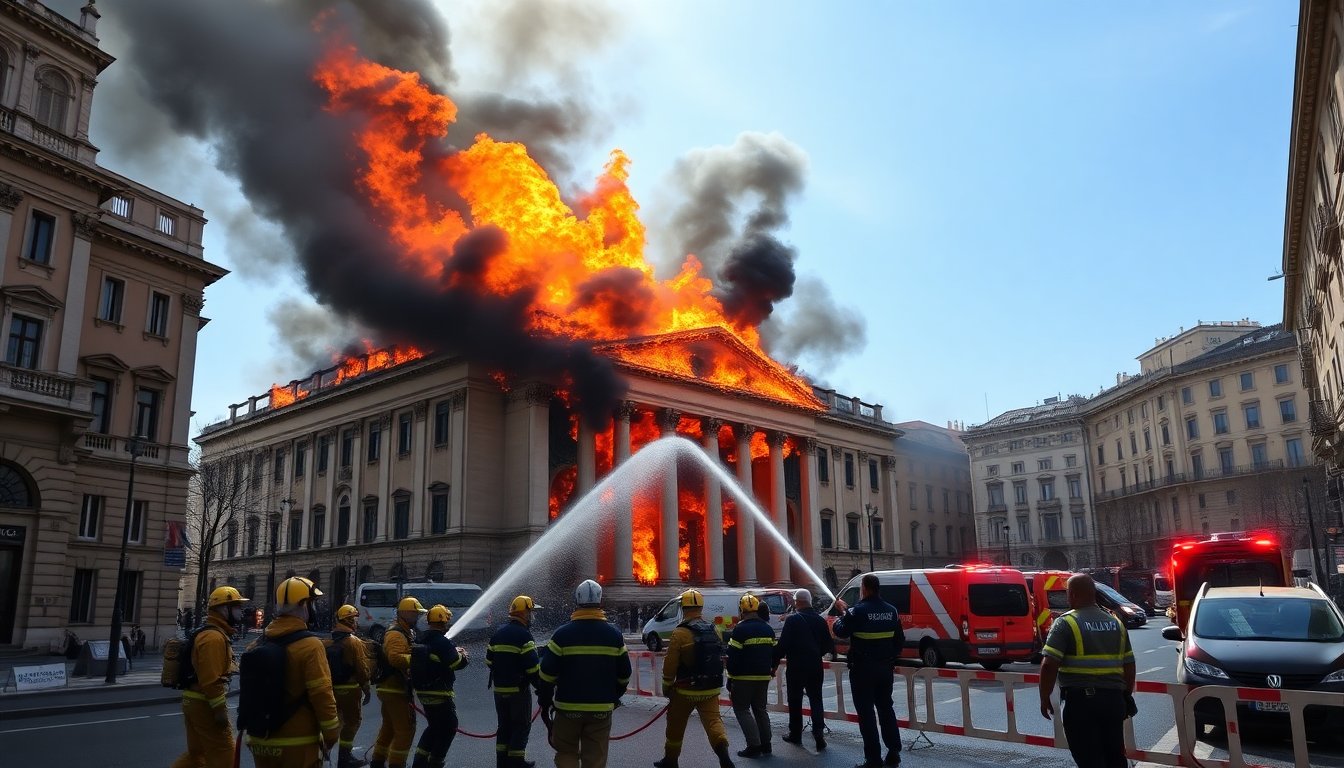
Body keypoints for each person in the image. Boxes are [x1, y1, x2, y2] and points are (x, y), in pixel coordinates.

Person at [1038, 574, 1136, 768]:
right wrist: (1125, 694)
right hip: (1114, 701)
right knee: (1115, 756)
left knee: (1089, 758)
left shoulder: (1066, 622)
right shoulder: (1115, 622)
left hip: (1082, 704)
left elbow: (1049, 665)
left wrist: (1044, 696)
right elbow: (1129, 664)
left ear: (1072, 594)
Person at [243, 576, 341, 768]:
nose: (313, 609)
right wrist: (331, 734)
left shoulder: (255, 645)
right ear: (304, 604)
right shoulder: (311, 646)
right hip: (297, 743)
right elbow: (322, 693)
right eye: (312, 603)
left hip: (258, 740)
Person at [538, 579, 631, 768]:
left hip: (567, 708)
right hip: (600, 709)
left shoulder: (561, 635)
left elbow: (546, 674)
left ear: (577, 602)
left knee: (566, 752)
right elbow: (625, 674)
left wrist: (545, 701)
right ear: (600, 602)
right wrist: (614, 696)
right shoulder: (614, 635)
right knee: (595, 758)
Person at [654, 589, 736, 768]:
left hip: (685, 690)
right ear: (701, 607)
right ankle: (724, 754)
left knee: (675, 724)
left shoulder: (680, 633)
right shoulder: (714, 629)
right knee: (714, 722)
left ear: (683, 608)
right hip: (710, 688)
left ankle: (671, 760)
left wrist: (667, 685)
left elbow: (670, 664)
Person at [171, 585, 248, 768]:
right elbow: (211, 679)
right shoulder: (213, 638)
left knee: (197, 755)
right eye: (236, 605)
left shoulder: (213, 633)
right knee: (225, 755)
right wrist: (219, 710)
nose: (240, 610)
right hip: (204, 703)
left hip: (195, 700)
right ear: (223, 609)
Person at [833, 574, 903, 768]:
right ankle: (894, 751)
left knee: (867, 715)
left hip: (863, 670)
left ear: (864, 588)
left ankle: (873, 759)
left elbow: (840, 630)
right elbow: (899, 641)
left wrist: (842, 612)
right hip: (885, 668)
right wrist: (888, 658)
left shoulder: (857, 611)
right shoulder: (892, 611)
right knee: (886, 708)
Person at [773, 588, 834, 751]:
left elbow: (782, 645)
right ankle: (818, 732)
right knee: (816, 699)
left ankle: (795, 733)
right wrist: (816, 653)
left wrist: (773, 663)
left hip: (796, 666)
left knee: (795, 700)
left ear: (797, 602)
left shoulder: (792, 621)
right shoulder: (820, 620)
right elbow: (828, 645)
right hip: (815, 665)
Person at [488, 595, 544, 768]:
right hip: (518, 692)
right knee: (521, 726)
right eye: (532, 613)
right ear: (525, 614)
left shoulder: (498, 633)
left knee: (504, 727)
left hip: (499, 690)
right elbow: (533, 669)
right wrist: (542, 688)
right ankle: (517, 762)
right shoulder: (525, 636)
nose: (533, 616)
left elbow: (489, 661)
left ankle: (502, 762)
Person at [371, 597, 427, 768]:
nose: (417, 616)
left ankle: (378, 762)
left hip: (391, 688)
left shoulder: (403, 631)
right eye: (415, 613)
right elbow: (395, 658)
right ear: (406, 613)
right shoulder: (395, 633)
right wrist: (417, 658)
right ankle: (397, 764)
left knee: (388, 728)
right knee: (405, 731)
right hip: (394, 688)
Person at [411, 604, 469, 768]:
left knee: (434, 727)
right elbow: (456, 663)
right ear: (444, 622)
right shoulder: (442, 642)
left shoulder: (420, 638)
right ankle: (435, 762)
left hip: (423, 691)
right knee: (450, 726)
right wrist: (462, 655)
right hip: (440, 693)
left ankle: (420, 761)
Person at [727, 593, 776, 759]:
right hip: (763, 677)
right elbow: (774, 653)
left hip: (742, 678)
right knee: (761, 710)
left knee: (742, 710)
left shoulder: (739, 630)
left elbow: (733, 657)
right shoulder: (768, 629)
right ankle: (766, 744)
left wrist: (730, 678)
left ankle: (754, 745)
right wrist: (771, 669)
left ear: (742, 610)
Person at [326, 604, 372, 768]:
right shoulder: (353, 641)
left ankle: (324, 751)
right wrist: (366, 688)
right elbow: (362, 668)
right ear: (350, 620)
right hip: (351, 689)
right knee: (352, 722)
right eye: (355, 618)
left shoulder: (329, 640)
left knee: (335, 720)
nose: (357, 622)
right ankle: (345, 758)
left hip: (332, 688)